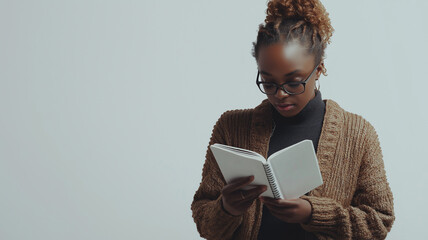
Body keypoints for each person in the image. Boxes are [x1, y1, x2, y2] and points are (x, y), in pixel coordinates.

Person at [191, 0, 395, 239]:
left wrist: (313, 213)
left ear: (318, 69)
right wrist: (226, 208)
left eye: (294, 82)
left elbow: (379, 222)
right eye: (268, 83)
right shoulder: (231, 127)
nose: (280, 94)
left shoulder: (358, 134)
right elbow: (205, 222)